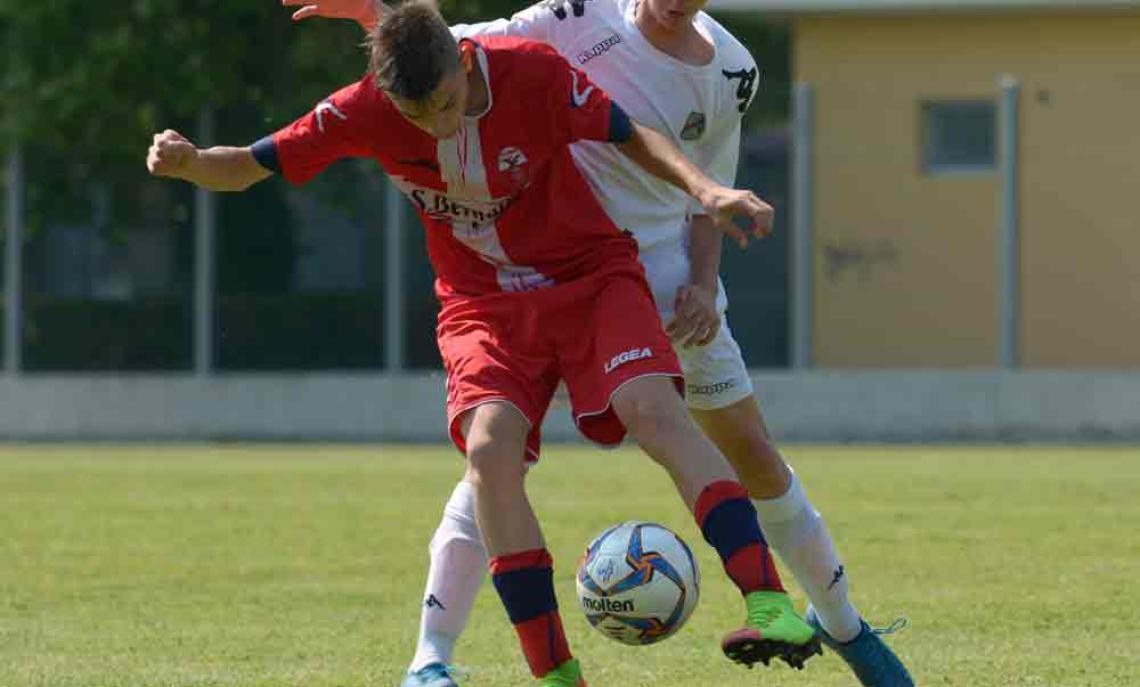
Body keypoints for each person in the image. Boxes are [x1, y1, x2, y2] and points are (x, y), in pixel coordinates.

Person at [147, 3, 821, 686]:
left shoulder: (533, 73)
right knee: (490, 451)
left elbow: (631, 134)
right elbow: (247, 165)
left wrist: (706, 189)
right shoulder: (362, 108)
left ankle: (769, 603)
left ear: (465, 63)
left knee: (654, 410)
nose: (436, 125)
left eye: (445, 104)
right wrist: (192, 162)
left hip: (590, 276)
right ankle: (556, 675)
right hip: (483, 306)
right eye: (415, 115)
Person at [282, 1, 914, 686]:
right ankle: (430, 657)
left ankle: (842, 624)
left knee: (753, 454)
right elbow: (451, 53)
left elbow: (710, 185)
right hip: (555, 273)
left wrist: (703, 283)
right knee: (492, 465)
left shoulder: (733, 69)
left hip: (664, 282)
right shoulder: (573, 14)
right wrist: (377, 15)